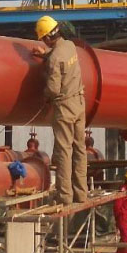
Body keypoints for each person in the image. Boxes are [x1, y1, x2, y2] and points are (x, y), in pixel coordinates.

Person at [35, 15, 87, 205]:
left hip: (64, 108)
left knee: (64, 152)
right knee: (80, 149)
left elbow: (53, 89)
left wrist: (44, 96)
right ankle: (81, 194)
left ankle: (65, 196)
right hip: (79, 103)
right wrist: (45, 55)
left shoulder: (54, 59)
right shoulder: (70, 46)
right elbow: (60, 58)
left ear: (47, 37)